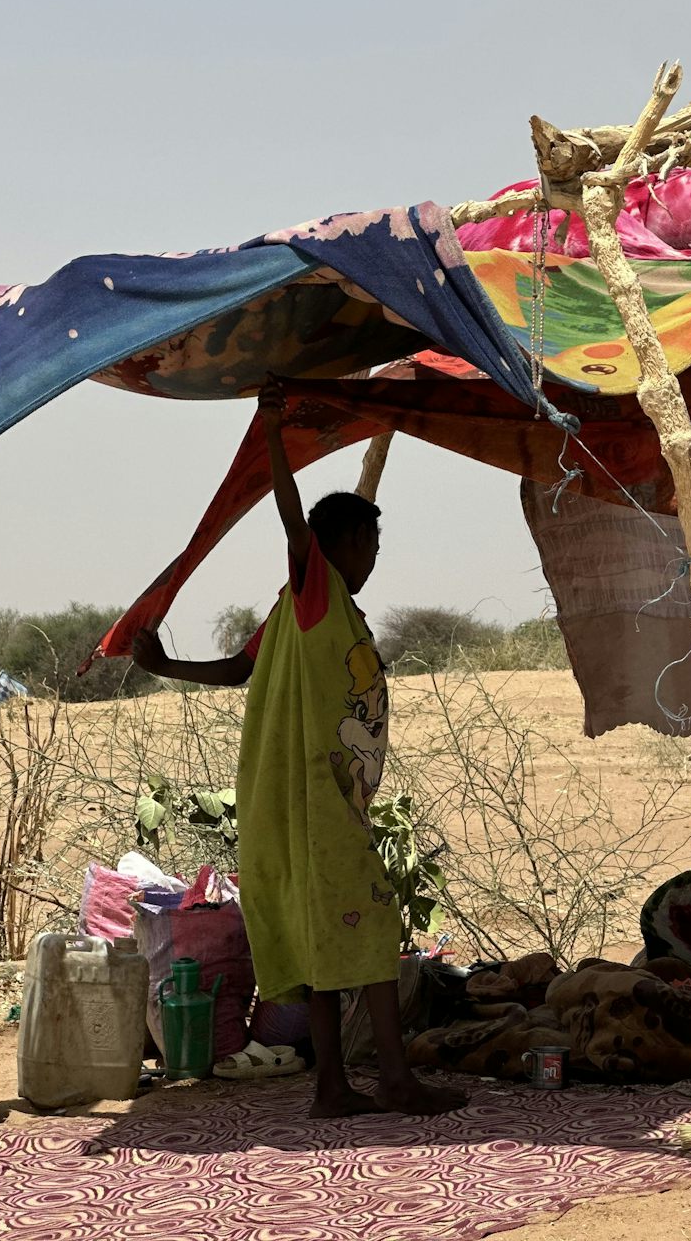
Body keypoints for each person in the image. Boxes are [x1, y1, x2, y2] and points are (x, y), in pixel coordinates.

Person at [131, 376, 463, 1117]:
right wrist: (273, 430)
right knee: (373, 931)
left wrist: (168, 668)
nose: (374, 558)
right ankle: (395, 1081)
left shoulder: (302, 614)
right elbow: (291, 523)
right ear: (340, 543)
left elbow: (240, 669)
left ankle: (332, 1087)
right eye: (369, 544)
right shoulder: (314, 591)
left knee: (323, 939)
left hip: (305, 800)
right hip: (315, 802)